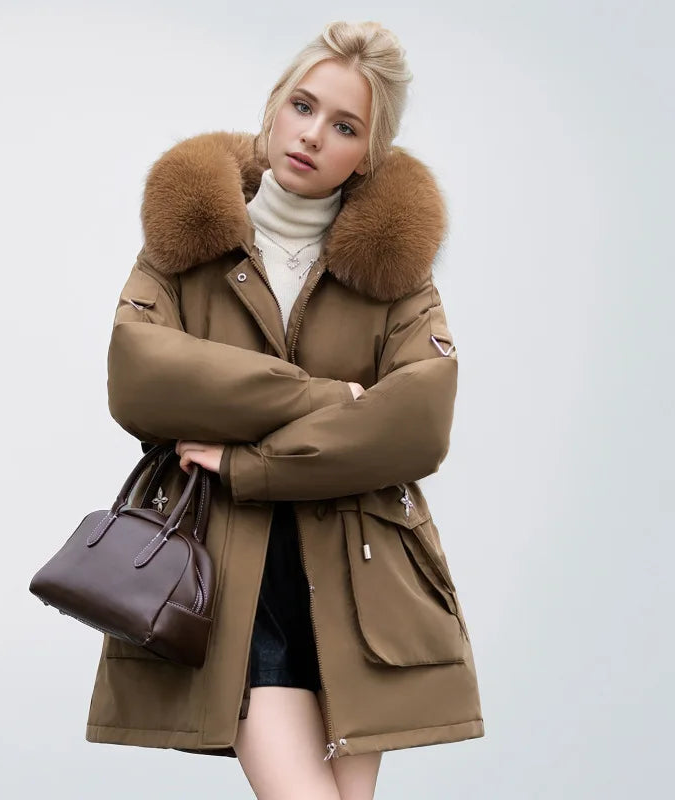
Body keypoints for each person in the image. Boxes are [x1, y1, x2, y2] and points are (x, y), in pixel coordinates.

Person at [86, 19, 484, 800]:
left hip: (365, 582)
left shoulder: (396, 270)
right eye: (303, 106)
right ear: (273, 107)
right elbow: (141, 379)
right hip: (232, 572)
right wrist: (333, 400)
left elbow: (417, 422)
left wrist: (252, 464)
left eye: (344, 126)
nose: (312, 135)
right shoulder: (185, 241)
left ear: (366, 155)